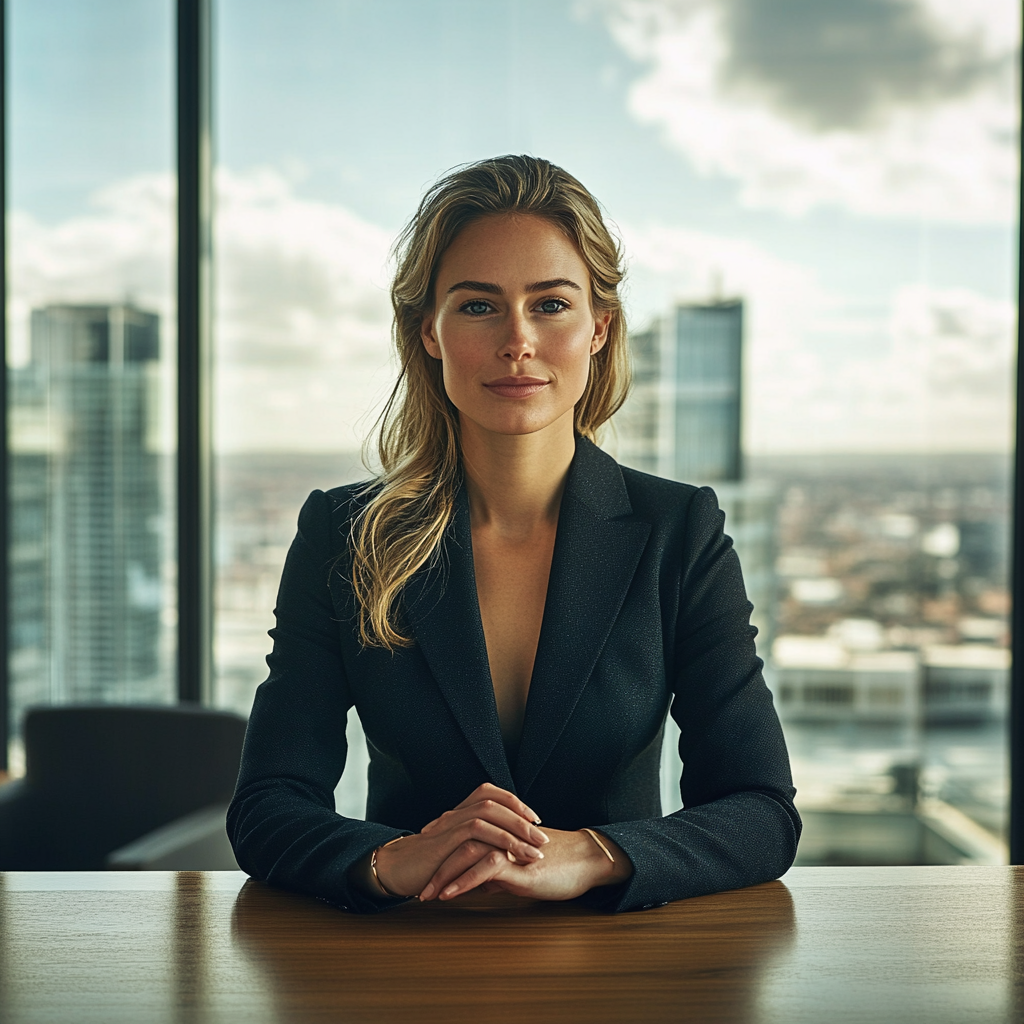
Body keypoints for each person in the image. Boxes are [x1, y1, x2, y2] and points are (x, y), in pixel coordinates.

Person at [227, 155, 801, 914]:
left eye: (551, 305)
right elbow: (267, 806)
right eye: (477, 306)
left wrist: (593, 854)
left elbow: (761, 810)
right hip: (405, 964)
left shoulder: (679, 532)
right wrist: (392, 860)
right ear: (427, 333)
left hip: (623, 972)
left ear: (599, 328)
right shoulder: (344, 535)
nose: (517, 341)